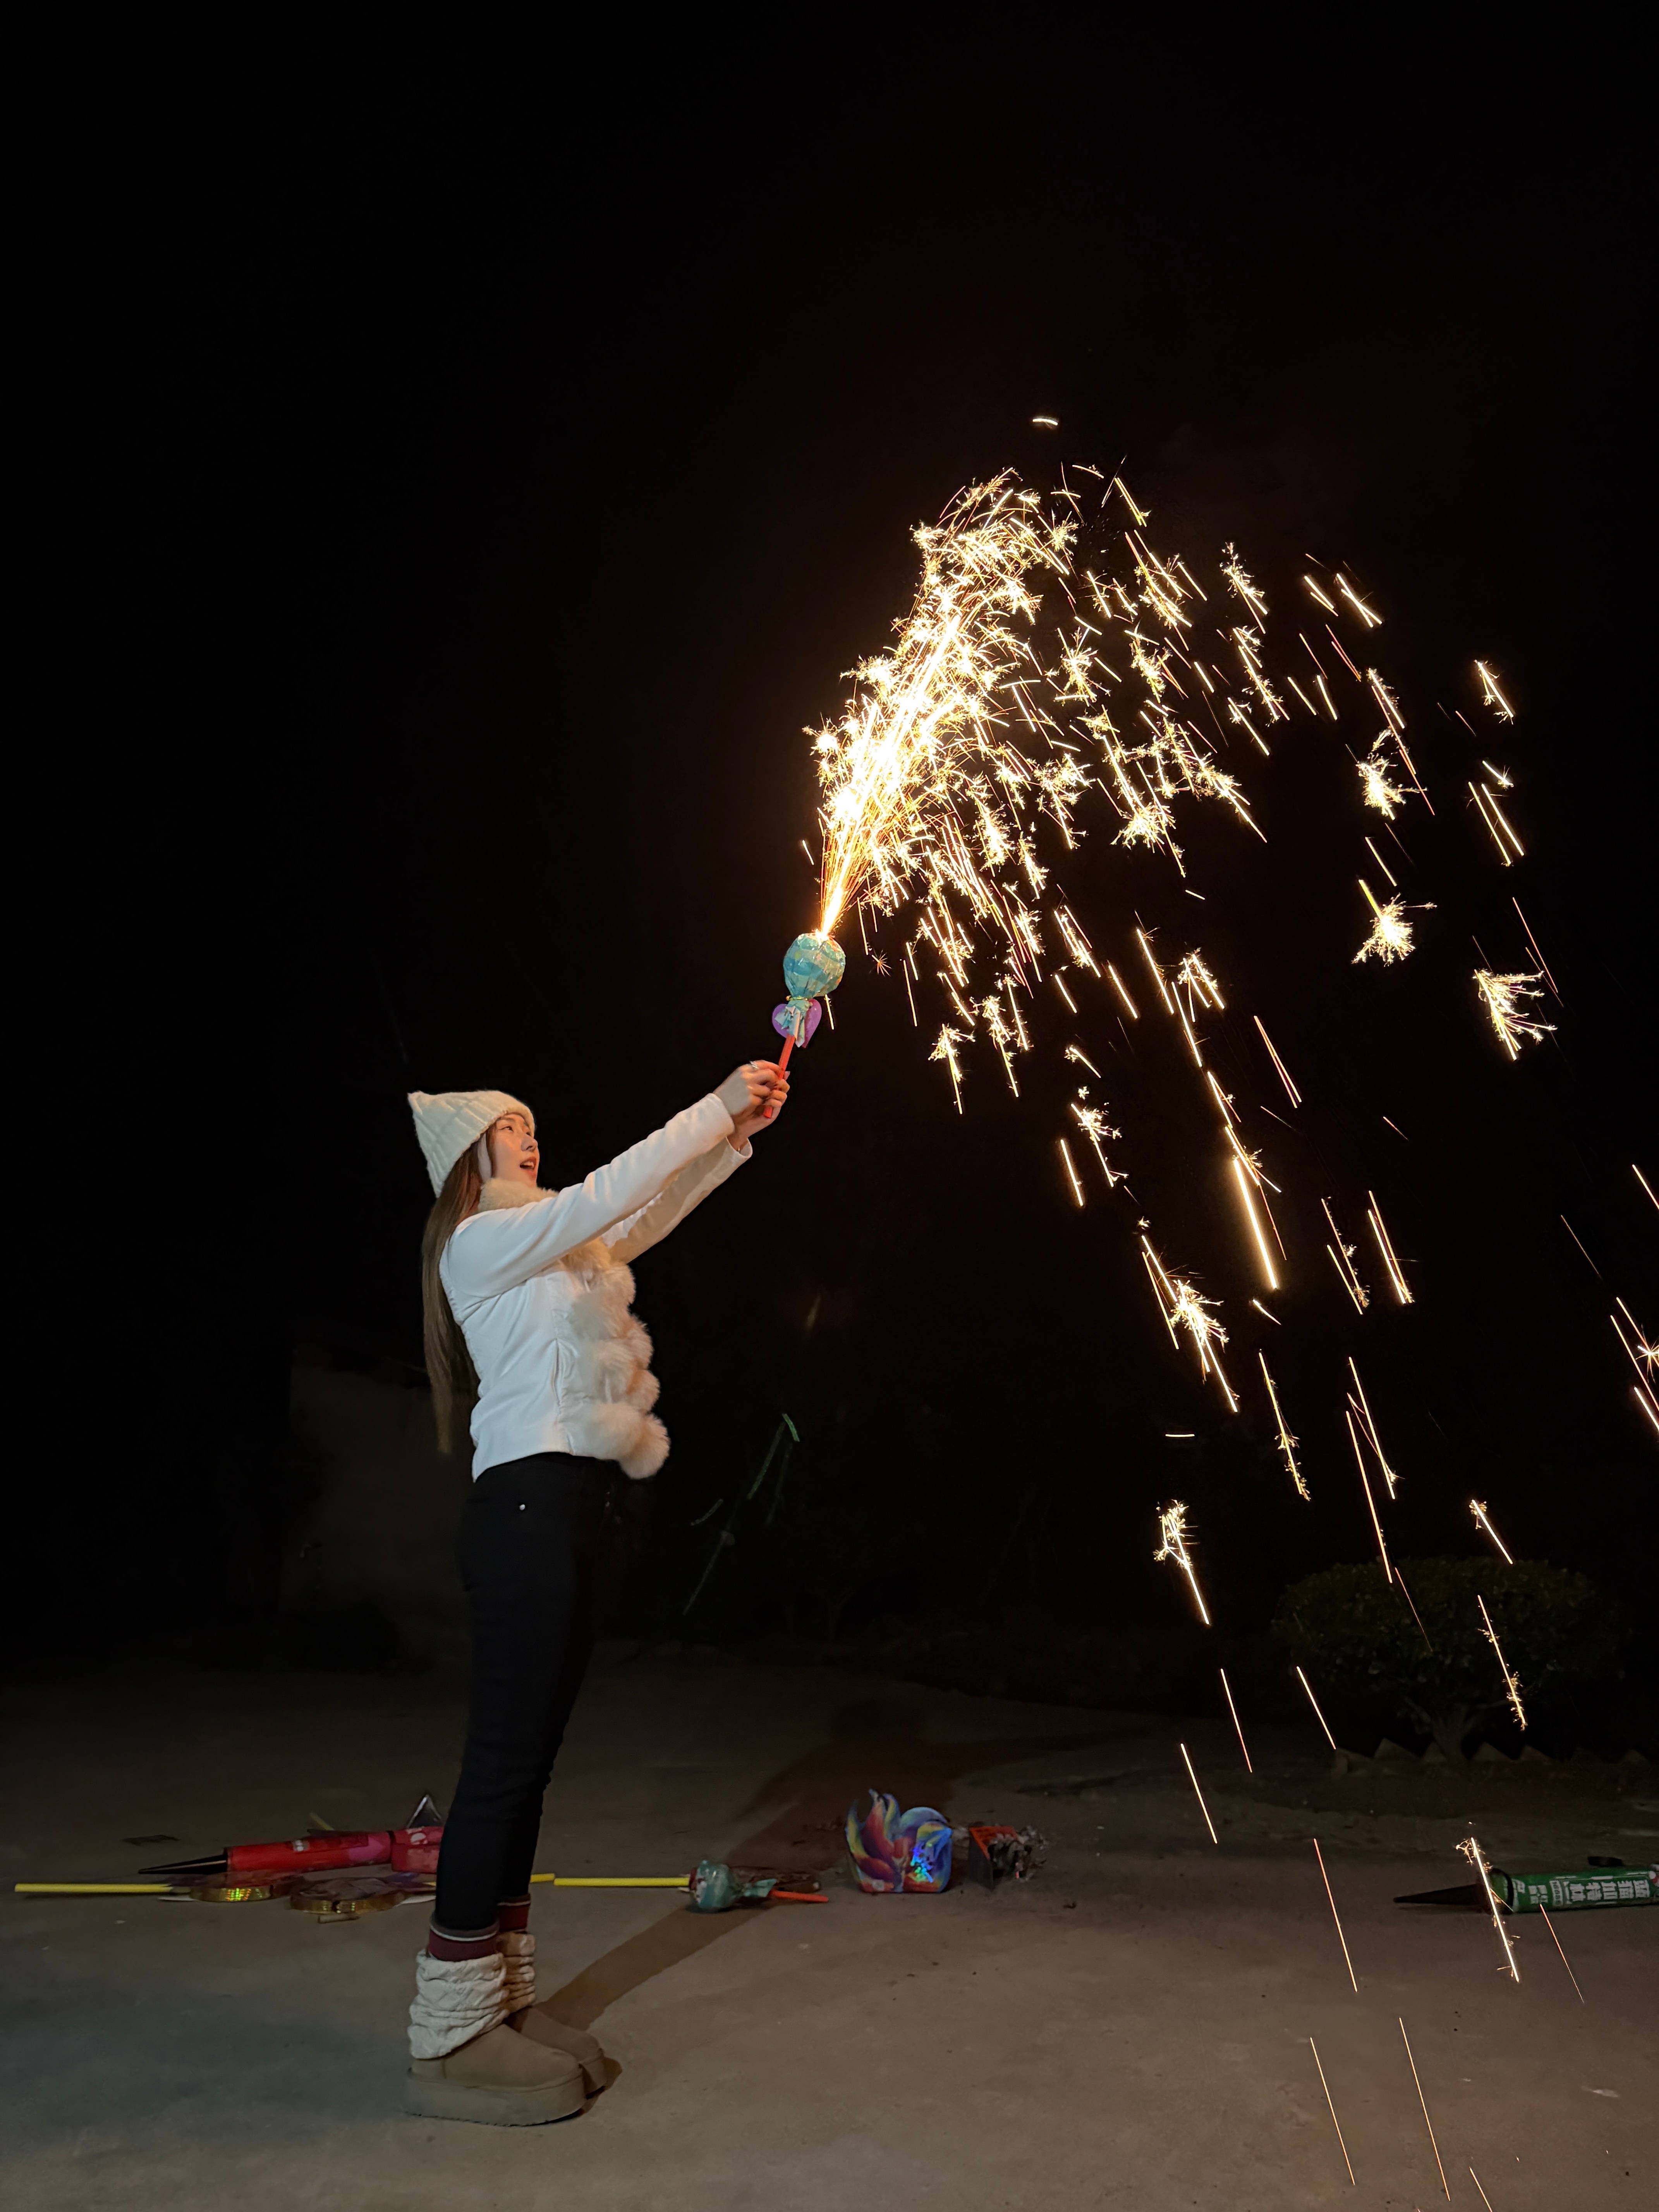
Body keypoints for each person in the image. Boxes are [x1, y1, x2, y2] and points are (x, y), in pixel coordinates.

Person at [401, 1059, 787, 2124]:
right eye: (507, 1132)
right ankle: (446, 2038)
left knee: (527, 1773)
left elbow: (643, 1211)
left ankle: (501, 2001)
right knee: (500, 1771)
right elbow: (610, 1191)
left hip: (573, 1511)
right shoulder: (484, 1239)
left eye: (531, 1125)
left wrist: (731, 1137)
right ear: (467, 1161)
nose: (529, 1140)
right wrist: (706, 1106)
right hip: (523, 1513)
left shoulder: (557, 1250)